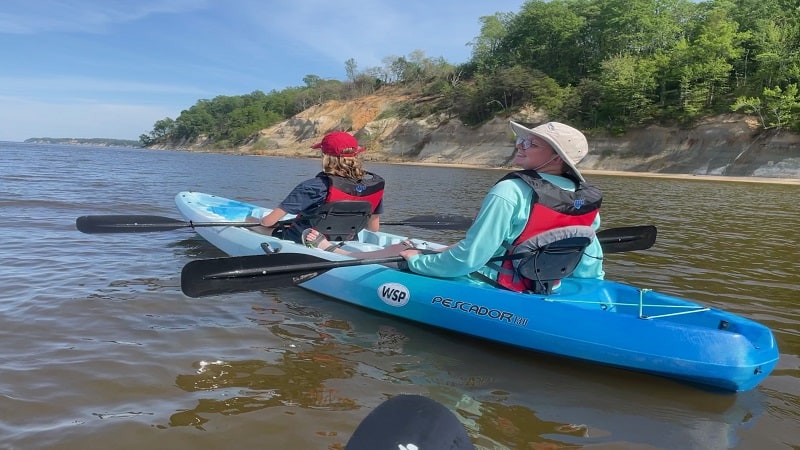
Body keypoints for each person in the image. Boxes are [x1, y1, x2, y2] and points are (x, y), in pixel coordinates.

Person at [397, 120, 605, 292]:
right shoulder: (583, 197)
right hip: (551, 285)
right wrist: (593, 290)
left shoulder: (509, 191)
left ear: (557, 157)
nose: (519, 145)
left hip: (494, 285)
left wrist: (417, 261)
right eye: (521, 140)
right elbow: (590, 262)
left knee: (400, 256)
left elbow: (469, 260)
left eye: (531, 144)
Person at [247, 131, 385, 244]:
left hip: (304, 239)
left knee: (251, 221)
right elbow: (373, 228)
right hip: (345, 240)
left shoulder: (314, 185)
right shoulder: (372, 186)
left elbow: (268, 221)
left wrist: (259, 222)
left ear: (325, 156)